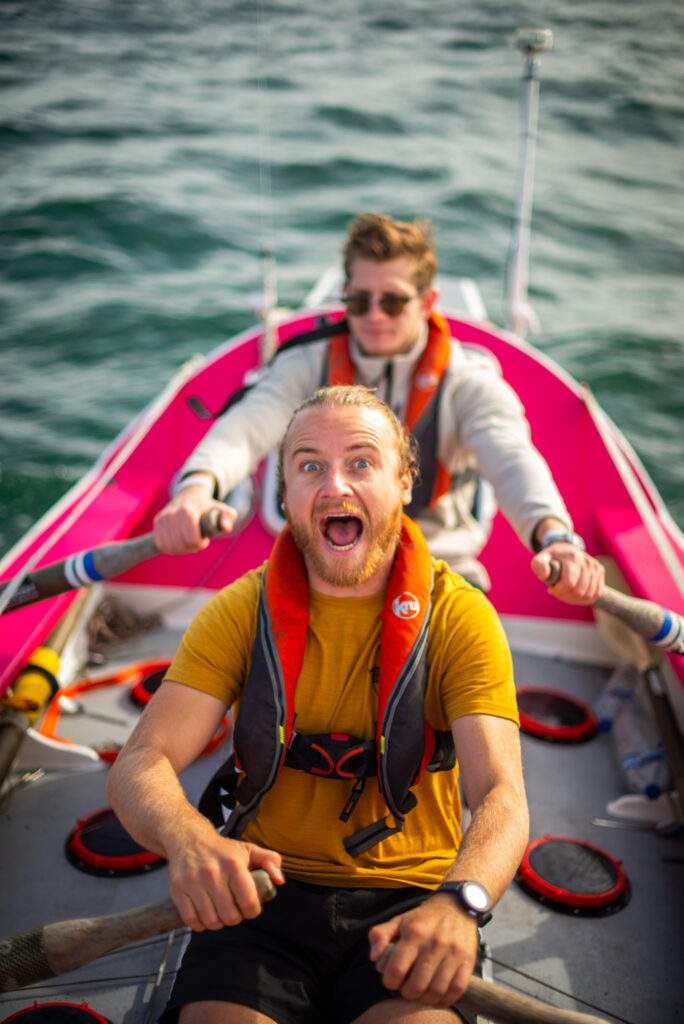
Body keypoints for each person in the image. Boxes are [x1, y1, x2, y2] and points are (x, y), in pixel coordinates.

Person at [108, 385, 529, 1024]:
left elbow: (501, 793)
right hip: (260, 896)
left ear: (405, 480)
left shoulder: (461, 618)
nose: (335, 486)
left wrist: (461, 904)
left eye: (361, 462)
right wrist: (190, 839)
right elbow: (143, 760)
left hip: (413, 901)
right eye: (310, 466)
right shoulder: (237, 610)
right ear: (285, 497)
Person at [153, 212, 604, 602]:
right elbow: (246, 428)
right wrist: (197, 487)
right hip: (324, 561)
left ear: (427, 303)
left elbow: (512, 459)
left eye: (391, 302)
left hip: (439, 559)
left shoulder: (468, 383)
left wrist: (555, 536)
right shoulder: (305, 365)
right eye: (359, 300)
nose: (373, 316)